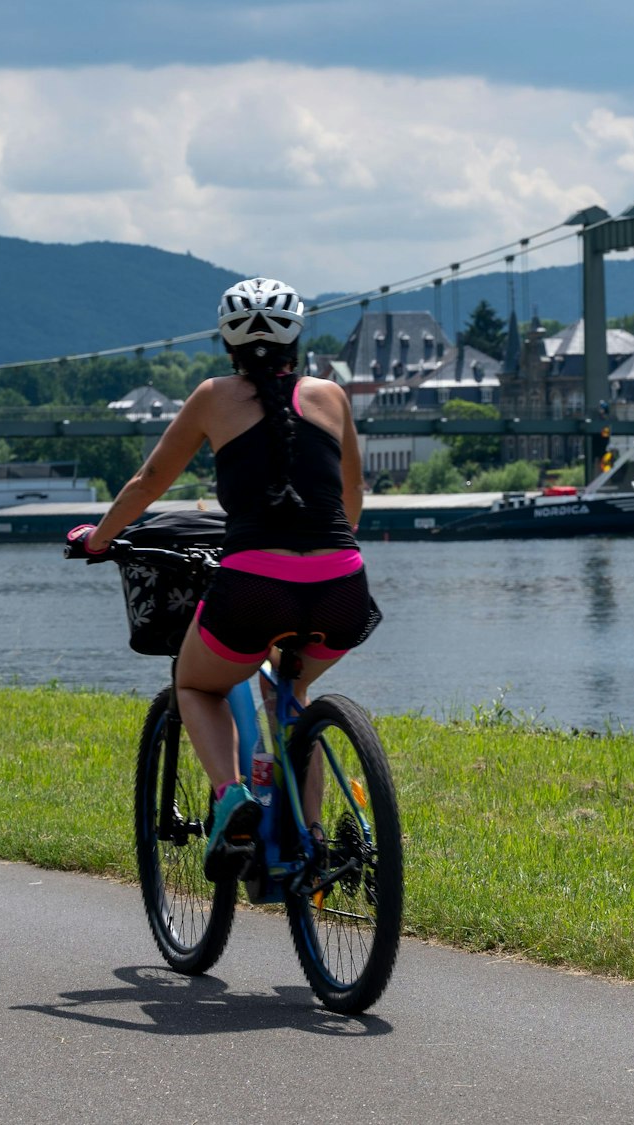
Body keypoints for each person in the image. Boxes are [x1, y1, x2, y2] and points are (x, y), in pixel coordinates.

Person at [71, 277, 380, 879]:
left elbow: (150, 481)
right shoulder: (332, 396)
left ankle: (230, 795)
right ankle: (311, 843)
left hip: (254, 586)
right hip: (343, 584)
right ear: (297, 335)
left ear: (227, 341)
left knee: (197, 686)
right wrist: (327, 555)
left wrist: (100, 537)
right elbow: (352, 496)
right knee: (291, 695)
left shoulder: (213, 396)